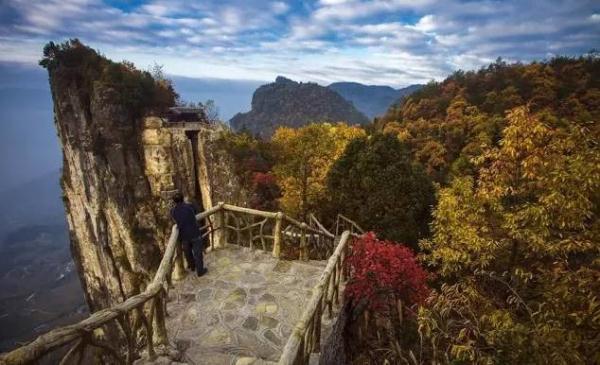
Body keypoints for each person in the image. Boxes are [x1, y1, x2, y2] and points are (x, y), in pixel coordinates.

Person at [170, 192, 208, 277]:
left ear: (174, 201)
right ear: (183, 199)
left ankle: (192, 266)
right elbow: (196, 211)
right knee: (197, 253)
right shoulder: (189, 206)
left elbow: (175, 219)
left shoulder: (173, 211)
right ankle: (200, 271)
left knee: (188, 252)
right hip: (195, 233)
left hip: (184, 235)